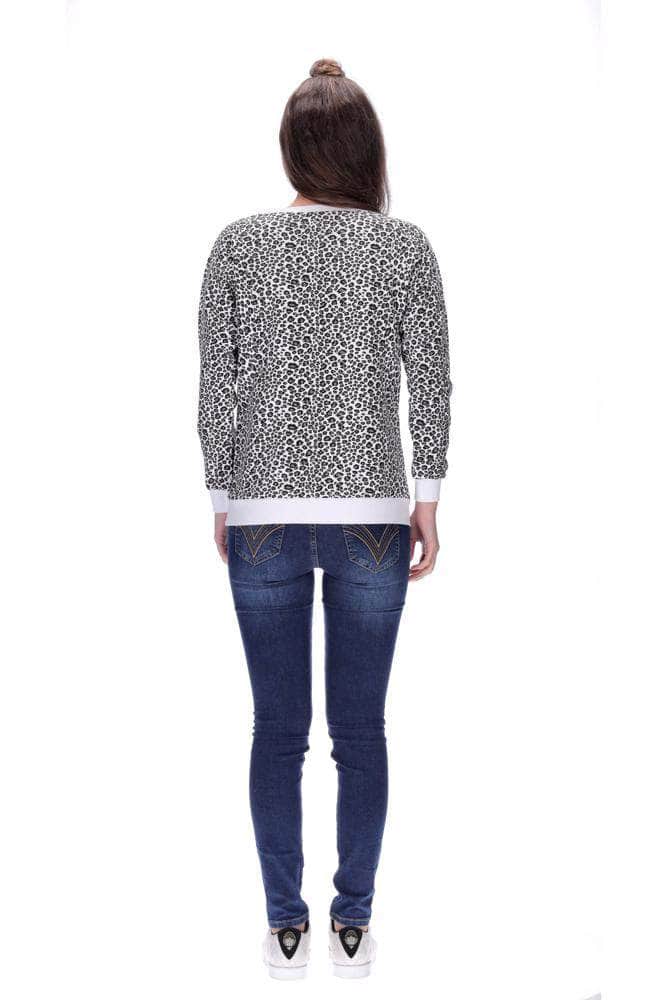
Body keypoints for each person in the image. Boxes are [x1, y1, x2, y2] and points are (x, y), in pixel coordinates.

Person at [197, 58, 452, 979]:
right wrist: (427, 500)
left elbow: (215, 388)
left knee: (276, 730)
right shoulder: (404, 246)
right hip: (374, 519)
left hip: (261, 513)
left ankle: (284, 925)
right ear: (365, 150)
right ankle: (352, 924)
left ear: (291, 150)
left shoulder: (237, 245)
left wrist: (223, 500)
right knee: (360, 732)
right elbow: (432, 382)